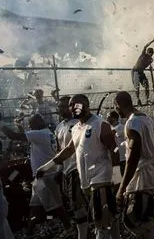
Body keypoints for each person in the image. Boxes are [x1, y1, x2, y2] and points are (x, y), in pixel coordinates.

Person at [36, 94, 121, 239]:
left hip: (101, 180)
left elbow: (115, 150)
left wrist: (117, 179)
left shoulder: (100, 124)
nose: (74, 107)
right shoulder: (75, 128)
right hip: (86, 181)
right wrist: (45, 167)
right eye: (71, 105)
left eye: (78, 104)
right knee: (109, 218)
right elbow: (68, 150)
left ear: (87, 105)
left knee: (101, 221)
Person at [0, 114, 72, 238]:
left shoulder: (39, 135)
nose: (29, 128)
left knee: (57, 205)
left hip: (46, 176)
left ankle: (68, 227)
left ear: (35, 125)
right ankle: (28, 232)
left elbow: (13, 136)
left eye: (30, 125)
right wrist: (19, 126)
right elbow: (24, 136)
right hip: (40, 177)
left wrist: (1, 124)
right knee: (34, 207)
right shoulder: (46, 133)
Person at [113, 91, 154, 239]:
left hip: (143, 177)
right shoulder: (145, 118)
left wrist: (122, 187)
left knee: (134, 220)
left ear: (118, 105)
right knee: (149, 220)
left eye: (115, 106)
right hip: (152, 173)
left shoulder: (132, 123)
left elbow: (133, 157)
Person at [55, 96, 89, 239]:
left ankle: (84, 234)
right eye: (60, 107)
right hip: (67, 170)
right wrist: (59, 170)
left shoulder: (79, 124)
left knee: (78, 205)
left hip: (79, 169)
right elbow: (59, 150)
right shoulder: (59, 127)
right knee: (75, 205)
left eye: (64, 106)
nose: (61, 109)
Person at [132, 38, 154, 105]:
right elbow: (145, 46)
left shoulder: (151, 60)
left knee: (146, 85)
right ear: (147, 52)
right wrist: (152, 41)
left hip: (141, 73)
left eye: (152, 53)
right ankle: (138, 99)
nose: (151, 54)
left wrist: (151, 68)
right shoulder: (143, 55)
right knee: (137, 86)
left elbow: (150, 65)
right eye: (150, 52)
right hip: (135, 71)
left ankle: (147, 99)